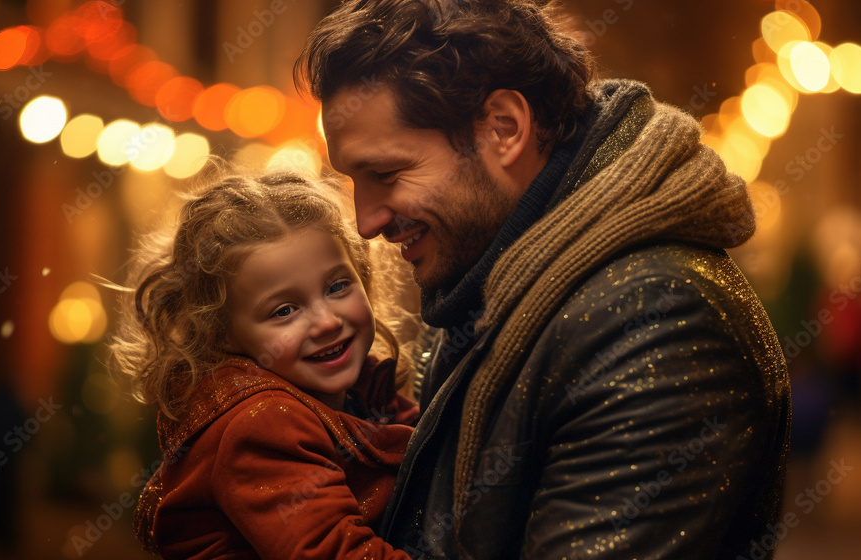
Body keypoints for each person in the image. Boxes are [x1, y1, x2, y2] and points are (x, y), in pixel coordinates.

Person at [295, 1, 792, 558]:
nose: (366, 223)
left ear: (503, 128)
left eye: (386, 174)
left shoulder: (656, 322)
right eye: (354, 182)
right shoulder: (485, 283)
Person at [110, 168, 419, 559]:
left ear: (362, 273)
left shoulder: (363, 391)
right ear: (221, 333)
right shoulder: (262, 424)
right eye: (285, 310)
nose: (326, 322)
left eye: (337, 286)